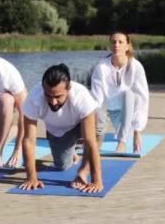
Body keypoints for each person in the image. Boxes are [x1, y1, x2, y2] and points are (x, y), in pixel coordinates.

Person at [19, 64, 103, 193]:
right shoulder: (34, 97)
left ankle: (82, 171)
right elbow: (29, 140)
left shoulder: (81, 96)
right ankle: (71, 149)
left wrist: (96, 180)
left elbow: (90, 141)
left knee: (98, 123)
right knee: (62, 166)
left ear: (68, 89)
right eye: (48, 96)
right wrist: (31, 177)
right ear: (43, 89)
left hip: (82, 123)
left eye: (58, 97)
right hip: (59, 130)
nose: (53, 102)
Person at [90, 30, 149, 154]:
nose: (116, 45)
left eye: (120, 42)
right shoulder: (101, 67)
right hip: (114, 115)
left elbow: (143, 99)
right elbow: (97, 99)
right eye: (113, 42)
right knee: (91, 102)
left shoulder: (136, 67)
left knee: (129, 94)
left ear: (127, 46)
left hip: (131, 116)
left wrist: (137, 130)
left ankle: (122, 143)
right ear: (110, 45)